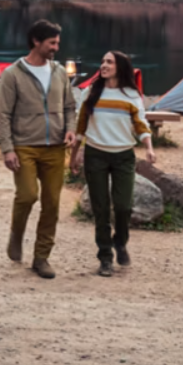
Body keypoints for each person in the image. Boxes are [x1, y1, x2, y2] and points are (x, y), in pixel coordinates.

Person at [0, 19, 78, 279]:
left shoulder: (59, 72)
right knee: (28, 195)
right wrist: (7, 149)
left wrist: (71, 129)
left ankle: (41, 257)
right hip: (24, 147)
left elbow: (69, 107)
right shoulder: (13, 74)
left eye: (57, 43)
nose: (56, 47)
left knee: (52, 203)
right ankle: (16, 235)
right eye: (52, 43)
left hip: (55, 147)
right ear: (36, 42)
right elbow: (3, 114)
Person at [70, 51, 155, 277]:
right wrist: (74, 154)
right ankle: (105, 257)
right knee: (100, 209)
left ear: (121, 67)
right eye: (103, 61)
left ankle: (120, 241)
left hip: (123, 156)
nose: (104, 65)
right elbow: (80, 126)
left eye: (109, 62)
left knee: (123, 206)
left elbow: (140, 123)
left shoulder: (131, 95)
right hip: (95, 154)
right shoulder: (91, 92)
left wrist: (148, 146)